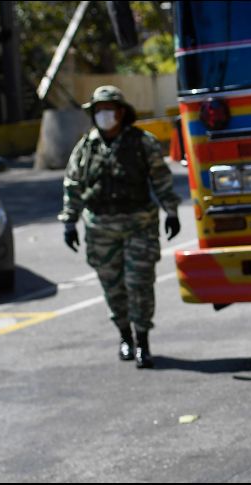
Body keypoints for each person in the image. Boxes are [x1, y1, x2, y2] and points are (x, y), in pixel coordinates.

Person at [58, 85, 182, 369]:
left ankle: (143, 341)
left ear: (121, 112)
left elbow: (161, 179)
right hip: (100, 228)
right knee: (113, 287)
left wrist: (171, 211)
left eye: (109, 110)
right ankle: (125, 336)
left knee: (139, 284)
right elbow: (73, 184)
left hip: (139, 224)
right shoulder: (86, 147)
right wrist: (69, 221)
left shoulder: (142, 142)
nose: (104, 116)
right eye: (99, 111)